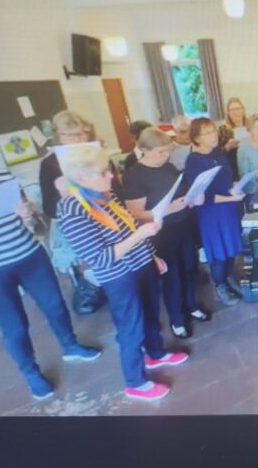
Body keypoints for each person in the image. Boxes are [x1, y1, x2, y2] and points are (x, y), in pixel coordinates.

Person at [0, 123, 101, 400]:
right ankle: (31, 372)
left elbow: (32, 222)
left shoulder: (0, 176)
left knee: (55, 305)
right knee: (14, 325)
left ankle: (70, 346)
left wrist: (28, 214)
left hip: (29, 254)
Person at [58, 144, 188, 401]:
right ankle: (135, 382)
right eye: (103, 172)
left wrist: (151, 254)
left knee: (151, 315)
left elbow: (129, 227)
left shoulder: (106, 195)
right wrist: (141, 235)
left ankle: (156, 354)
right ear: (82, 178)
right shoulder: (72, 209)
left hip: (141, 263)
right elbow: (100, 258)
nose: (111, 175)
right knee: (131, 328)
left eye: (109, 169)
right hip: (119, 276)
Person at [122, 128, 211, 339]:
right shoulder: (134, 175)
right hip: (160, 233)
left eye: (167, 151)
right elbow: (136, 214)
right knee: (172, 276)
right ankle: (177, 318)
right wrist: (168, 209)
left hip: (183, 225)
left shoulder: (168, 167)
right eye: (160, 152)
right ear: (144, 150)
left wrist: (193, 198)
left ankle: (191, 305)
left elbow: (182, 195)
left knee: (189, 269)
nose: (165, 155)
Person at [39, 110, 123, 278]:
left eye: (81, 133)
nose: (77, 139)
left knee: (120, 265)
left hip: (110, 220)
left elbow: (118, 193)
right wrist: (62, 194)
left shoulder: (99, 156)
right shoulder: (49, 164)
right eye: (69, 135)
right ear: (58, 136)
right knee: (93, 273)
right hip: (80, 228)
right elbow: (50, 210)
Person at [185, 117, 246, 307]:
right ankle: (219, 284)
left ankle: (228, 277)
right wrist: (230, 198)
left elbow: (227, 176)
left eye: (214, 131)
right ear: (196, 138)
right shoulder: (193, 161)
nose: (214, 135)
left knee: (231, 248)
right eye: (207, 133)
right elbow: (203, 196)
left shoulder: (218, 152)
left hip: (229, 208)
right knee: (219, 252)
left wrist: (235, 186)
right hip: (212, 213)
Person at [218, 97, 248, 179]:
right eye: (232, 110)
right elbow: (218, 153)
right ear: (228, 113)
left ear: (243, 110)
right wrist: (228, 147)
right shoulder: (223, 130)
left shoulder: (251, 126)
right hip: (235, 167)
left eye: (238, 108)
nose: (236, 112)